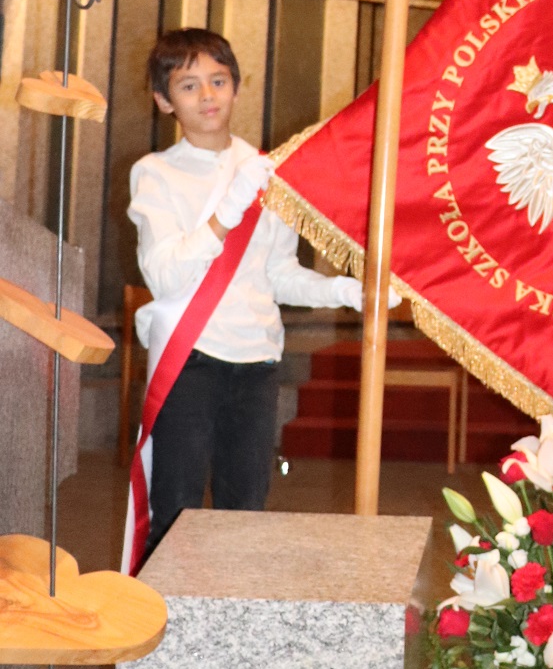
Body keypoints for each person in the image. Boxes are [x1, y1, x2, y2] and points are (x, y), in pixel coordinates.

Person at [126, 28, 371, 568]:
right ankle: (169, 619)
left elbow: (278, 275)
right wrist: (225, 213)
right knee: (176, 515)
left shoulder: (265, 171)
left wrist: (339, 290)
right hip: (189, 361)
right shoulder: (156, 174)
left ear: (237, 87)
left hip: (257, 362)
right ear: (164, 100)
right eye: (188, 85)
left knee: (246, 512)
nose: (207, 96)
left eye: (218, 81)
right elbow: (165, 276)